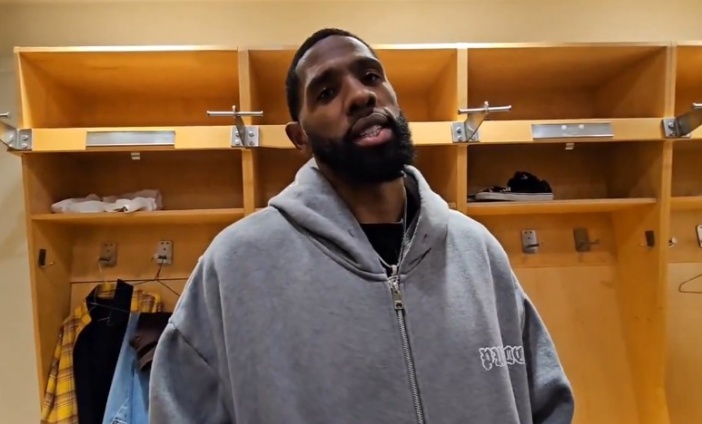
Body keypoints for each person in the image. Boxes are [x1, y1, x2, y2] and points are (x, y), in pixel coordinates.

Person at [148, 28, 575, 424]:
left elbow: (547, 401)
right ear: (300, 138)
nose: (359, 95)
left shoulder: (476, 249)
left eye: (371, 76)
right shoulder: (236, 266)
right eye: (326, 92)